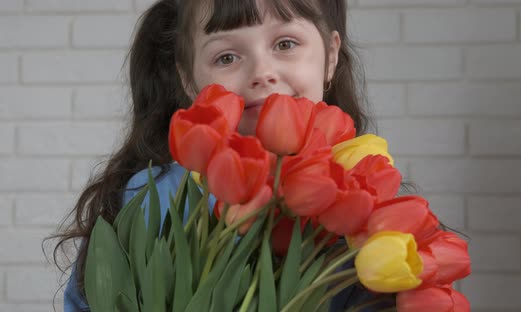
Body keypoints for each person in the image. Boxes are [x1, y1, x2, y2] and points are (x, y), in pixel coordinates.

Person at [52, 0, 414, 310]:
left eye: (286, 44)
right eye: (227, 56)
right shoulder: (150, 198)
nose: (262, 73)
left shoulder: (361, 207)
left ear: (331, 57)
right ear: (189, 81)